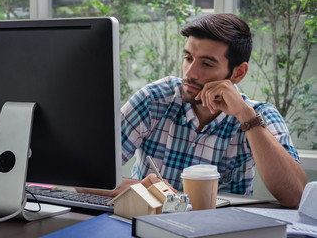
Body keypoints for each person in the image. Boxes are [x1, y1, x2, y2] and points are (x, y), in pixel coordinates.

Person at [78, 13, 306, 207]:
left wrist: (246, 116)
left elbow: (295, 196)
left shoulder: (258, 115)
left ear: (238, 73)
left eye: (207, 64)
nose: (191, 73)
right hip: (148, 223)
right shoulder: (154, 99)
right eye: (188, 58)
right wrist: (141, 188)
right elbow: (86, 175)